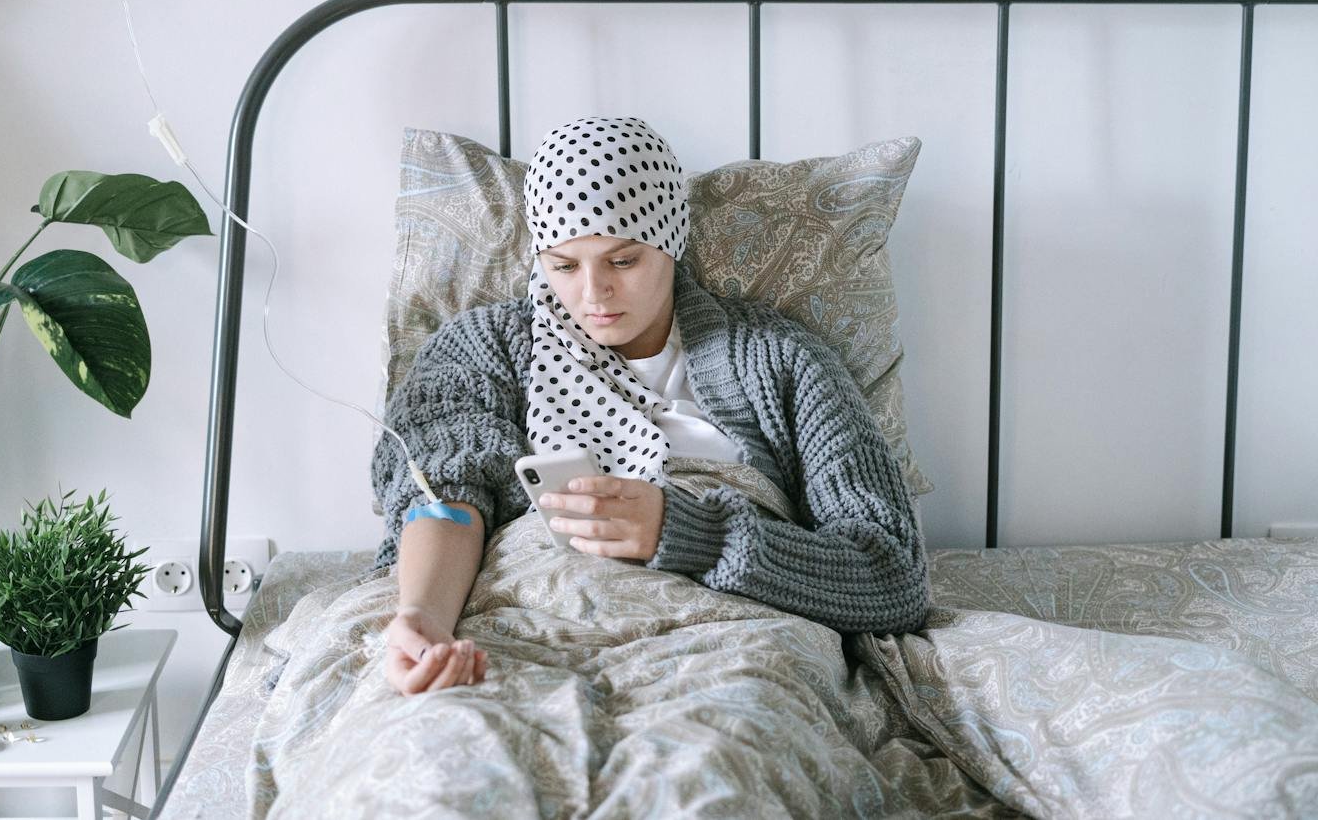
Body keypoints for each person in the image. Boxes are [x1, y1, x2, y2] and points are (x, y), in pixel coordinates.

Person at [371, 116, 930, 695]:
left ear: (671, 241)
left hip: (728, 649)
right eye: (564, 265)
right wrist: (424, 619)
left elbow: (892, 577)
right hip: (520, 627)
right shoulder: (482, 351)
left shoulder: (782, 362)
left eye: (623, 260)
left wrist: (691, 532)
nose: (593, 294)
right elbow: (442, 499)